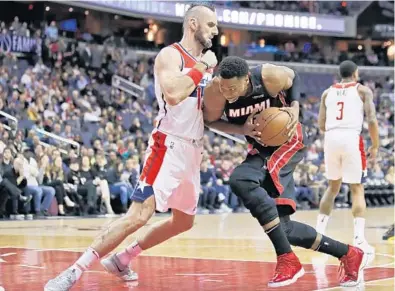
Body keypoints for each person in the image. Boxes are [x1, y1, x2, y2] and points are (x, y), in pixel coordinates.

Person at [44, 3, 218, 290]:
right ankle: (73, 272)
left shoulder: (206, 67)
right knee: (139, 215)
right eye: (210, 24)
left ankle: (122, 258)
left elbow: (206, 114)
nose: (215, 30)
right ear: (193, 24)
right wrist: (201, 67)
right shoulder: (171, 55)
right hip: (168, 145)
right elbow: (173, 93)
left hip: (193, 150)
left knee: (184, 222)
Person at [203, 56, 368, 288]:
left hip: (289, 141)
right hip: (261, 148)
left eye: (232, 88)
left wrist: (294, 107)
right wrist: (241, 128)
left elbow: (293, 77)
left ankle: (287, 260)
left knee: (241, 179)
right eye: (223, 86)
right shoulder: (215, 90)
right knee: (285, 229)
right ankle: (349, 254)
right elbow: (210, 121)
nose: (227, 92)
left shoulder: (268, 76)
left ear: (246, 79)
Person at [316, 60, 378, 256]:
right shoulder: (363, 91)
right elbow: (372, 119)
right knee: (357, 188)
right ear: (356, 73)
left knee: (333, 186)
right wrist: (375, 145)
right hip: (351, 137)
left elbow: (321, 124)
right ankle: (359, 239)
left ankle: (318, 234)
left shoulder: (327, 92)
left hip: (331, 138)